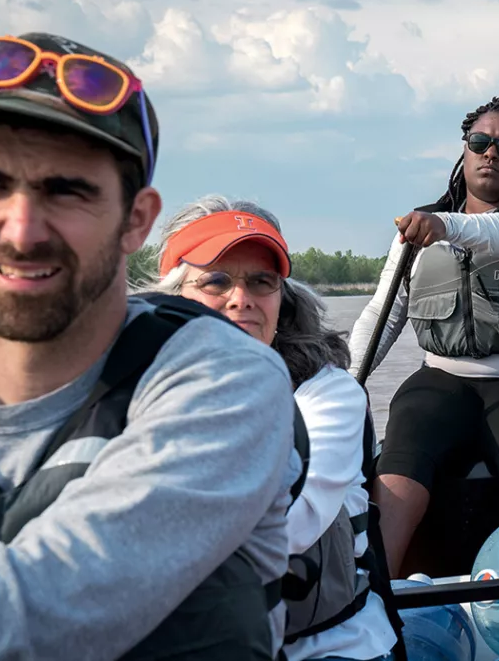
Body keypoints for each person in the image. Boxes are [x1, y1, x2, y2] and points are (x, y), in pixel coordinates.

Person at [0, 33, 300, 659]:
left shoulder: (231, 382)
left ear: (136, 220)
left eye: (68, 190)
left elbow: (50, 602)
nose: (23, 230)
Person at [145, 195, 399, 661]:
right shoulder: (131, 391)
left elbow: (291, 526)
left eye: (261, 282)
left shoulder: (326, 393)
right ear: (172, 299)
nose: (240, 298)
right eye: (215, 281)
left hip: (324, 648)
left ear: (283, 301)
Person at [347, 95, 499, 577]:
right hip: (442, 380)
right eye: (479, 142)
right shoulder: (419, 227)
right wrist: (343, 381)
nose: (490, 153)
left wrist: (446, 226)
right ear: (465, 151)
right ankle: (375, 601)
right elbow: (385, 312)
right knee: (395, 477)